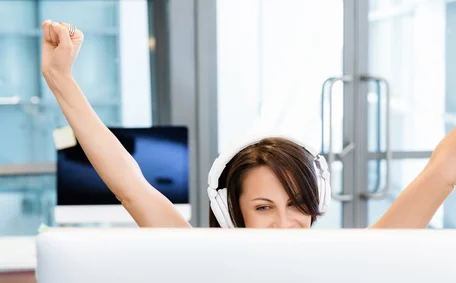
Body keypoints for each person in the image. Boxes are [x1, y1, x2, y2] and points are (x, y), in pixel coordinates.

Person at [41, 20, 455, 229]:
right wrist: (61, 80)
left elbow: (442, 171)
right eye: (263, 208)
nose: (284, 223)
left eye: (296, 205)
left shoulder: (349, 260)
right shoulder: (202, 257)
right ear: (231, 210)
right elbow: (130, 186)